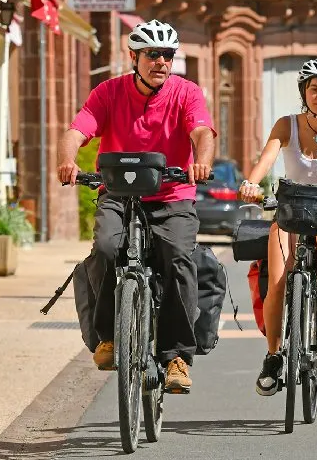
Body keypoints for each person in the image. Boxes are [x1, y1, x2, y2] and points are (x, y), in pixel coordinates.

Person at [57, 20, 215, 394]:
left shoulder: (187, 93)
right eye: (152, 54)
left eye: (168, 56)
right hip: (118, 195)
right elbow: (77, 130)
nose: (161, 62)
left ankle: (177, 355)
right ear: (133, 57)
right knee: (108, 249)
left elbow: (201, 132)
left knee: (178, 256)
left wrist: (202, 160)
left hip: (172, 196)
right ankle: (108, 337)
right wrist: (68, 161)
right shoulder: (108, 92)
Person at [239, 57, 317, 395]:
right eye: (313, 88)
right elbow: (266, 158)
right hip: (290, 212)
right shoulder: (287, 125)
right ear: (304, 92)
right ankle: (273, 356)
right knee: (277, 282)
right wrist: (251, 183)